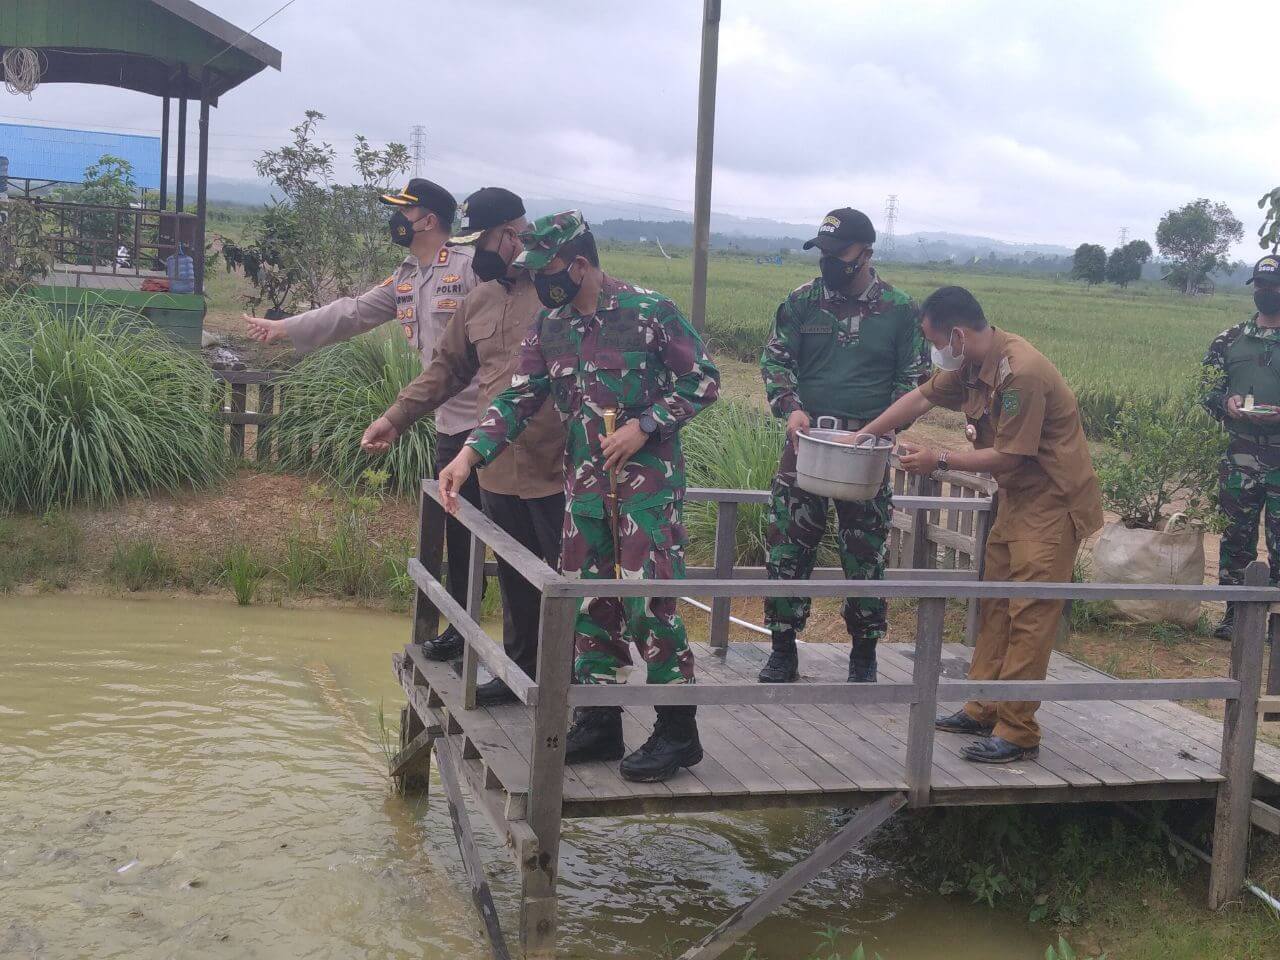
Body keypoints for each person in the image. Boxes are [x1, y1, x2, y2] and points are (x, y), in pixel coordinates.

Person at [436, 211, 721, 783]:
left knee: (648, 601)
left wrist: (646, 424)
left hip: (646, 490)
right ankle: (598, 721)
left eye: (549, 271)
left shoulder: (648, 312)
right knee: (592, 604)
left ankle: (677, 731)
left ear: (581, 264)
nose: (541, 283)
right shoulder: (551, 326)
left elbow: (704, 379)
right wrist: (468, 456)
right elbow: (519, 397)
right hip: (584, 489)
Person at [858, 286, 1103, 763]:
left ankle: (1017, 731)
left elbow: (1013, 454)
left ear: (957, 333)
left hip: (1053, 503)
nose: (934, 352)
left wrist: (941, 460)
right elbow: (919, 400)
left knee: (1029, 613)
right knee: (994, 603)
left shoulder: (1021, 372)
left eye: (934, 340)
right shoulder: (968, 366)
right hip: (1016, 498)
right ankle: (984, 704)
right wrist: (864, 434)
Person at [243, 178, 482, 657]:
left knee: (506, 537)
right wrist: (285, 326)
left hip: (491, 424)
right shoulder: (407, 277)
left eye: (404, 212)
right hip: (445, 422)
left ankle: (526, 652)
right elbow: (352, 313)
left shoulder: (471, 267)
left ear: (428, 220)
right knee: (460, 532)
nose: (395, 221)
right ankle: (462, 634)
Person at [360, 188, 567, 705]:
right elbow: (447, 370)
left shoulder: (553, 291)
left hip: (558, 465)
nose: (480, 253)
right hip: (497, 464)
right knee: (518, 576)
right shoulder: (479, 299)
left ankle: (575, 688)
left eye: (487, 240)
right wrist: (395, 417)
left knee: (566, 579)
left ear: (513, 234)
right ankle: (522, 674)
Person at [758, 207, 929, 684]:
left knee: (866, 552)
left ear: (866, 253)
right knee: (788, 548)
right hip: (806, 442)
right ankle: (782, 649)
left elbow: (916, 381)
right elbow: (775, 361)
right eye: (824, 253)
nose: (830, 262)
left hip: (867, 448)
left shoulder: (899, 309)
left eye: (840, 254)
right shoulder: (802, 302)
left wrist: (884, 428)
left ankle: (864, 654)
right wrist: (789, 406)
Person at [1201, 253, 1280, 639]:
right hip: (1241, 453)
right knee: (1236, 537)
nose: (1267, 293)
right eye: (1262, 286)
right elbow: (1207, 388)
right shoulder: (1230, 339)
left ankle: (1277, 623)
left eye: (1274, 286)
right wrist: (1225, 404)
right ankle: (1235, 617)